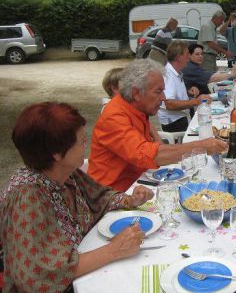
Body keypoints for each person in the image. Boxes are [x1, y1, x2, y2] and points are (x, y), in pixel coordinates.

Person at [1, 102, 154, 291]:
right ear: (56, 153)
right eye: (81, 141)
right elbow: (37, 277)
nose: (86, 145)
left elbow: (99, 198)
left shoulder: (65, 173)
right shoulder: (28, 196)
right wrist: (113, 250)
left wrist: (130, 200)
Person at [88, 59, 226, 191]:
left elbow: (155, 149)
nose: (163, 98)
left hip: (138, 184)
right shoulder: (114, 116)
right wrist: (202, 146)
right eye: (158, 91)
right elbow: (150, 155)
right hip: (111, 196)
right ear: (136, 93)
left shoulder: (136, 108)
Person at [158, 41, 212, 132]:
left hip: (180, 118)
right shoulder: (168, 75)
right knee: (207, 129)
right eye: (187, 54)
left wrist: (188, 91)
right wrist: (196, 101)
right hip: (174, 123)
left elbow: (173, 94)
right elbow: (169, 103)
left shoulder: (175, 71)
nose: (189, 57)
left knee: (209, 123)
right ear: (179, 57)